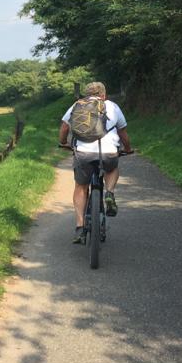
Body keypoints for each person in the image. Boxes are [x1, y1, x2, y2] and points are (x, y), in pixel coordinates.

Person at [58, 81, 132, 244]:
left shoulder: (77, 105)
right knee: (112, 169)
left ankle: (79, 227)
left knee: (81, 187)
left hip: (83, 154)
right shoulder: (112, 106)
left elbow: (64, 128)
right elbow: (122, 132)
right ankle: (109, 193)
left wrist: (63, 142)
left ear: (87, 94)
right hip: (108, 152)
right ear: (103, 95)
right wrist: (127, 148)